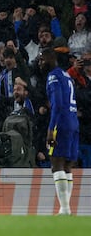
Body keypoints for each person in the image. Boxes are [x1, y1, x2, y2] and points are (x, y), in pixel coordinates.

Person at [38, 47, 80, 215]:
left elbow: (57, 104)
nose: (40, 63)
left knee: (56, 164)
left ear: (50, 58)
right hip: (73, 121)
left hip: (61, 123)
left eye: (42, 59)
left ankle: (64, 208)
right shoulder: (67, 75)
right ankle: (66, 208)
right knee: (67, 166)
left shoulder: (53, 76)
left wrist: (51, 129)